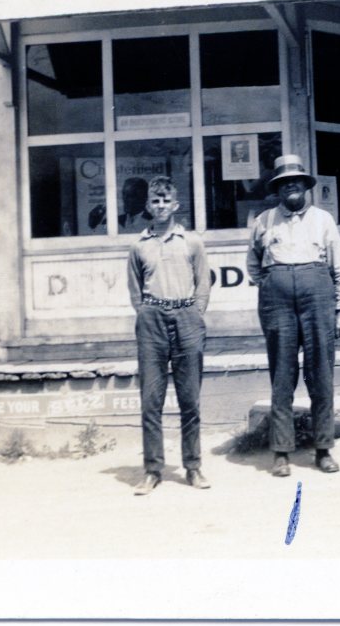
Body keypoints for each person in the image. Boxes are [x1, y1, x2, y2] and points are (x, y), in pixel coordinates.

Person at [246, 154, 340, 477]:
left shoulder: (323, 220)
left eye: (296, 181)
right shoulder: (264, 221)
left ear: (305, 186)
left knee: (320, 374)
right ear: (277, 189)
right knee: (282, 374)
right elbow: (253, 265)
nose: (290, 186)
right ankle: (281, 452)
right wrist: (274, 283)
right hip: (277, 302)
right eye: (284, 183)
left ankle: (323, 449)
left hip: (317, 298)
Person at [126, 176, 212, 495]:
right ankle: (152, 470)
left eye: (166, 201)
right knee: (151, 400)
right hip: (152, 320)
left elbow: (203, 282)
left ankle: (193, 466)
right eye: (155, 201)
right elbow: (135, 290)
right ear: (148, 206)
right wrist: (147, 312)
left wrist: (195, 313)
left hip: (186, 317)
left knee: (190, 399)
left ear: (175, 205)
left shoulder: (192, 242)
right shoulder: (139, 245)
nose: (160, 206)